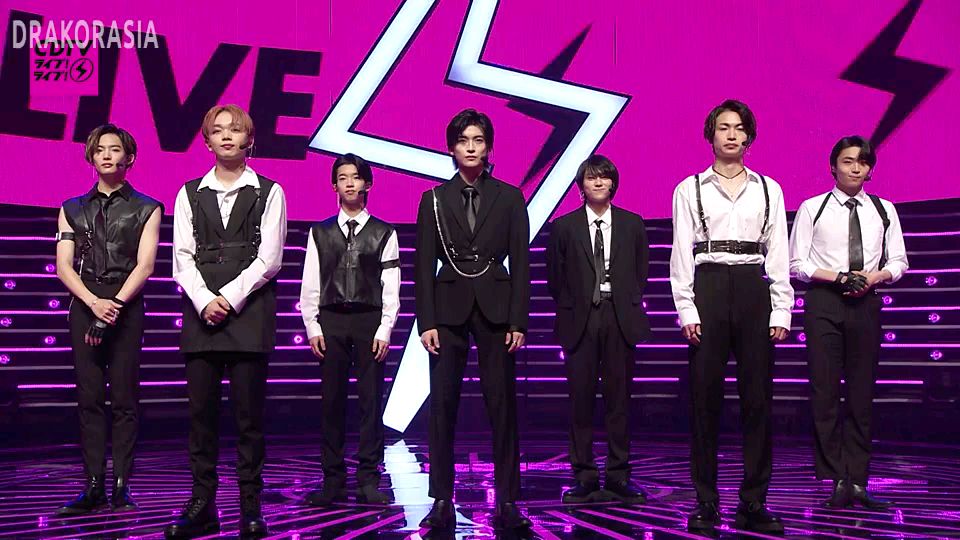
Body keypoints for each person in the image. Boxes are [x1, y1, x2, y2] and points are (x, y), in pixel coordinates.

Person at [669, 99, 793, 533]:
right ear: (711, 135)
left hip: (752, 287)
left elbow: (779, 251)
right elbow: (681, 252)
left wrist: (781, 308)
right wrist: (686, 307)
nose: (732, 135)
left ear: (749, 136)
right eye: (723, 127)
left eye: (739, 128)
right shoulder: (690, 188)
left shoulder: (768, 188)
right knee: (705, 401)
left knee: (757, 400)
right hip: (709, 286)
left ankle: (754, 502)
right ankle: (706, 501)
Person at [165, 105, 287, 539]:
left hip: (249, 314)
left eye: (235, 130)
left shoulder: (270, 191)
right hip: (201, 319)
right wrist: (205, 301)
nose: (227, 136)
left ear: (249, 139)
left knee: (249, 419)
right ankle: (202, 504)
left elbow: (270, 259)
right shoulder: (189, 193)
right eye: (218, 131)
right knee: (201, 418)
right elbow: (182, 258)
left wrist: (229, 299)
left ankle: (250, 505)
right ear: (207, 141)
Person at [414, 109, 531, 530]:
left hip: (497, 308)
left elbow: (521, 263)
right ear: (451, 147)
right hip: (447, 310)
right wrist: (426, 321)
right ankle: (441, 499)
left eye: (478, 140)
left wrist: (518, 321)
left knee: (503, 406)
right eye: (463, 140)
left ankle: (508, 500)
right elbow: (423, 264)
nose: (470, 147)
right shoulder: (433, 198)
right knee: (442, 406)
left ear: (488, 147)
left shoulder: (510, 197)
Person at [789, 135, 908, 510]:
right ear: (833, 166)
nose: (856, 168)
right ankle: (836, 477)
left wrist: (875, 277)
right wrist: (839, 277)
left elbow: (899, 261)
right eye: (848, 161)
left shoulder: (884, 210)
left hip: (866, 301)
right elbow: (798, 264)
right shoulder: (813, 208)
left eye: (863, 162)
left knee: (861, 394)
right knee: (824, 392)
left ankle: (858, 480)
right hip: (825, 300)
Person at [54, 124, 162, 515]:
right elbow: (63, 266)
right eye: (100, 149)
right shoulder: (71, 208)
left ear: (128, 157)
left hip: (126, 306)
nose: (106, 155)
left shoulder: (148, 207)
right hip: (85, 305)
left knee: (125, 398)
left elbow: (145, 265)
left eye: (114, 149)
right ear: (91, 156)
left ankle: (121, 485)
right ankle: (94, 484)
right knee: (89, 398)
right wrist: (93, 302)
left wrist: (113, 304)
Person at [546, 154, 651, 505]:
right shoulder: (564, 227)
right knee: (581, 400)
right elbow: (555, 277)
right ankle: (584, 476)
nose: (599, 182)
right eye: (592, 178)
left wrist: (622, 300)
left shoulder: (632, 224)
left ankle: (619, 476)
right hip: (581, 318)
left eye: (605, 177)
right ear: (581, 186)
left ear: (613, 183)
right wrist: (575, 305)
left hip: (619, 316)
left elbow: (641, 271)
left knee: (619, 400)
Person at [299, 153, 400, 507]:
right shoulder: (320, 232)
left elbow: (391, 286)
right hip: (331, 320)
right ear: (334, 186)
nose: (349, 183)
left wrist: (385, 329)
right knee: (332, 402)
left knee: (370, 402)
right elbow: (310, 281)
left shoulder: (384, 232)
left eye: (355, 177)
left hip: (369, 320)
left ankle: (369, 479)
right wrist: (312, 325)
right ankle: (333, 479)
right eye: (342, 178)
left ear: (367, 183)